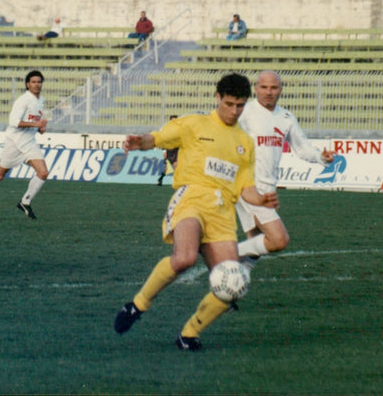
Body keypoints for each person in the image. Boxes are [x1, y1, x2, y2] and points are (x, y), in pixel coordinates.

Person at [113, 73, 280, 351]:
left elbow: (244, 187)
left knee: (232, 282)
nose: (234, 111)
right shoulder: (193, 124)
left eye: (240, 105)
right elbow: (154, 139)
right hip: (191, 198)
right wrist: (137, 142)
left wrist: (262, 199)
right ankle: (137, 306)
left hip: (222, 212)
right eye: (229, 104)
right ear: (217, 98)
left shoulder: (245, 143)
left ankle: (189, 334)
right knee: (185, 258)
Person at [235, 71, 335, 269]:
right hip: (248, 185)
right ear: (256, 89)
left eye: (273, 87)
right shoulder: (244, 113)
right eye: (263, 87)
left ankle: (231, 290)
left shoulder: (286, 117)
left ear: (281, 89)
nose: (268, 92)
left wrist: (320, 157)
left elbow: (302, 147)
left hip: (268, 187)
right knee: (278, 239)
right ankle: (226, 253)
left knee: (255, 244)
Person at [0, 70, 48, 221]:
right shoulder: (23, 100)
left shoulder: (41, 101)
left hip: (29, 143)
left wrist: (39, 128)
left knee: (43, 172)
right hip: (14, 143)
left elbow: (34, 121)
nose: (37, 84)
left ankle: (25, 202)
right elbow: (13, 122)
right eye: (33, 82)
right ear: (27, 84)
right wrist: (35, 123)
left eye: (39, 82)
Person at [156, 115, 178, 186]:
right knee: (167, 169)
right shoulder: (166, 129)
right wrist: (164, 151)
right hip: (169, 150)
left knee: (176, 166)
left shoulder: (179, 129)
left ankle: (176, 182)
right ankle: (160, 178)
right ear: (170, 121)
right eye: (172, 120)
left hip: (176, 150)